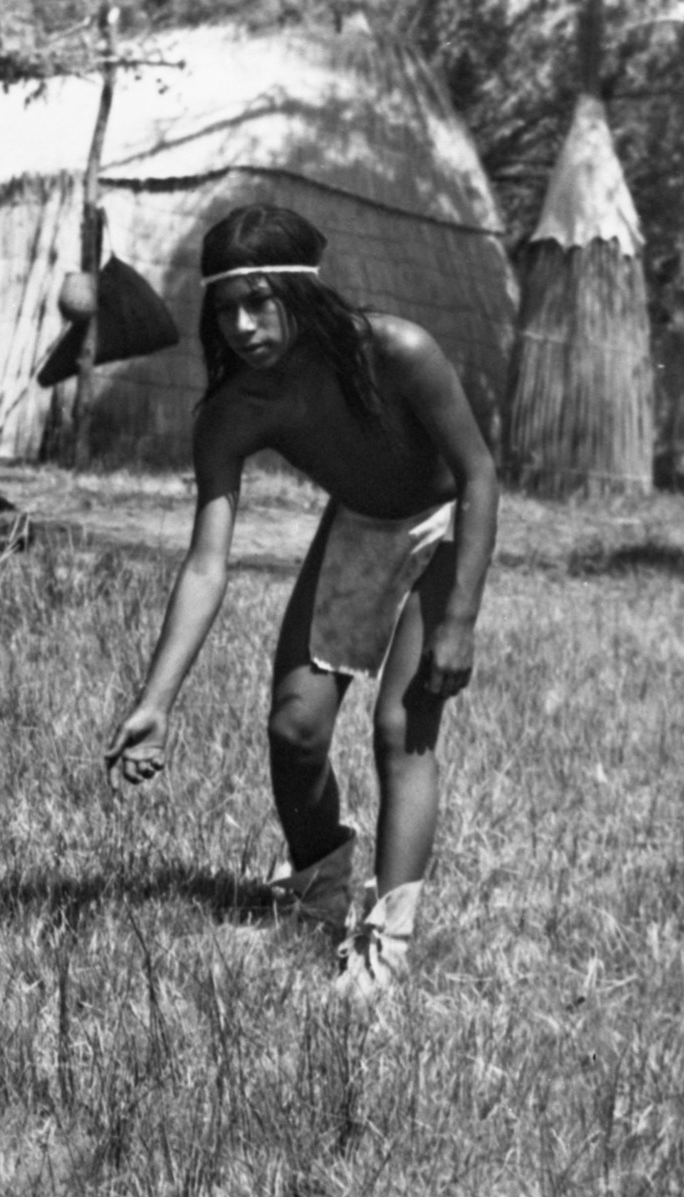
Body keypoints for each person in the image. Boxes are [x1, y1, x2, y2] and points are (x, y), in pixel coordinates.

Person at [104, 207, 498, 996]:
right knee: (295, 727)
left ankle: (385, 945)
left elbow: (479, 474)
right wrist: (156, 701)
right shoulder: (231, 413)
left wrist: (459, 619)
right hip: (359, 524)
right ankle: (318, 893)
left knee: (400, 729)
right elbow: (206, 566)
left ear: (300, 293)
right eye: (225, 310)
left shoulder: (396, 350)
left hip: (444, 525)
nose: (244, 326)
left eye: (260, 302)